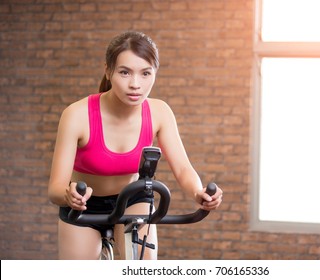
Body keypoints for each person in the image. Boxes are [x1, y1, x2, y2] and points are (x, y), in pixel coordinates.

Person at [48, 31, 223, 260]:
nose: (135, 84)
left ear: (155, 74)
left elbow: (182, 168)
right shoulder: (76, 115)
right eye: (124, 72)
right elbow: (55, 189)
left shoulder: (160, 112)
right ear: (108, 71)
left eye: (145, 73)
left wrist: (198, 192)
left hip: (133, 200)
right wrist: (68, 195)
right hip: (84, 205)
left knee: (141, 269)